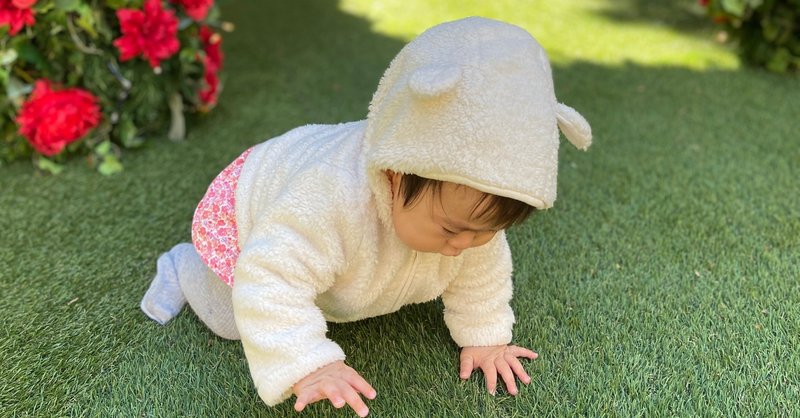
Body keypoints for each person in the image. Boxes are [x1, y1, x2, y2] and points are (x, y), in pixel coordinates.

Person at [140, 16, 591, 417]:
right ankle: (185, 268)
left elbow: (482, 276)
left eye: (488, 230)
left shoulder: (470, 221)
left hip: (332, 235)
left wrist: (486, 335)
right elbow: (271, 276)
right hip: (258, 205)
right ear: (394, 175)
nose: (465, 246)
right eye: (453, 229)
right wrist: (308, 363)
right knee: (234, 317)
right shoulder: (327, 199)